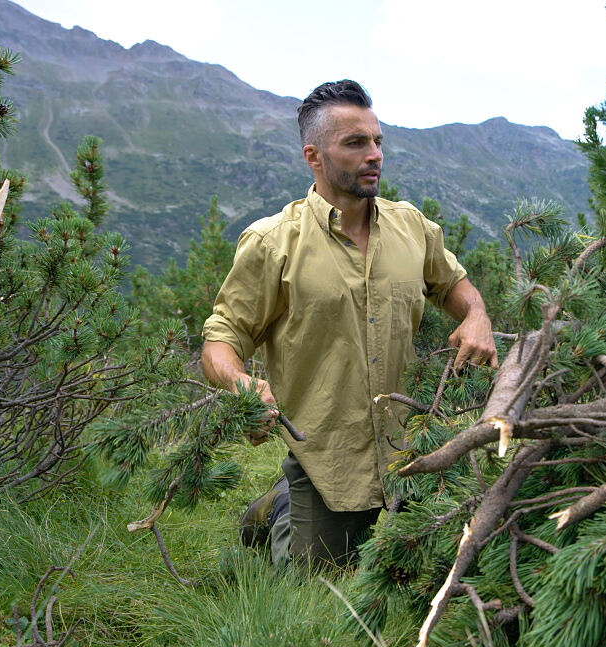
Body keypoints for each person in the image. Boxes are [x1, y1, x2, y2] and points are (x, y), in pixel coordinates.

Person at [201, 79, 497, 569]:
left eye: (378, 140)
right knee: (318, 601)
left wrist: (478, 317)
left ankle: (295, 503)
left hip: (415, 449)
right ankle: (283, 503)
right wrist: (242, 384)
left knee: (450, 572)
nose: (374, 154)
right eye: (356, 143)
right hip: (329, 463)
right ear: (314, 157)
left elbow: (454, 286)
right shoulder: (273, 243)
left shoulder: (412, 228)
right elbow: (220, 338)